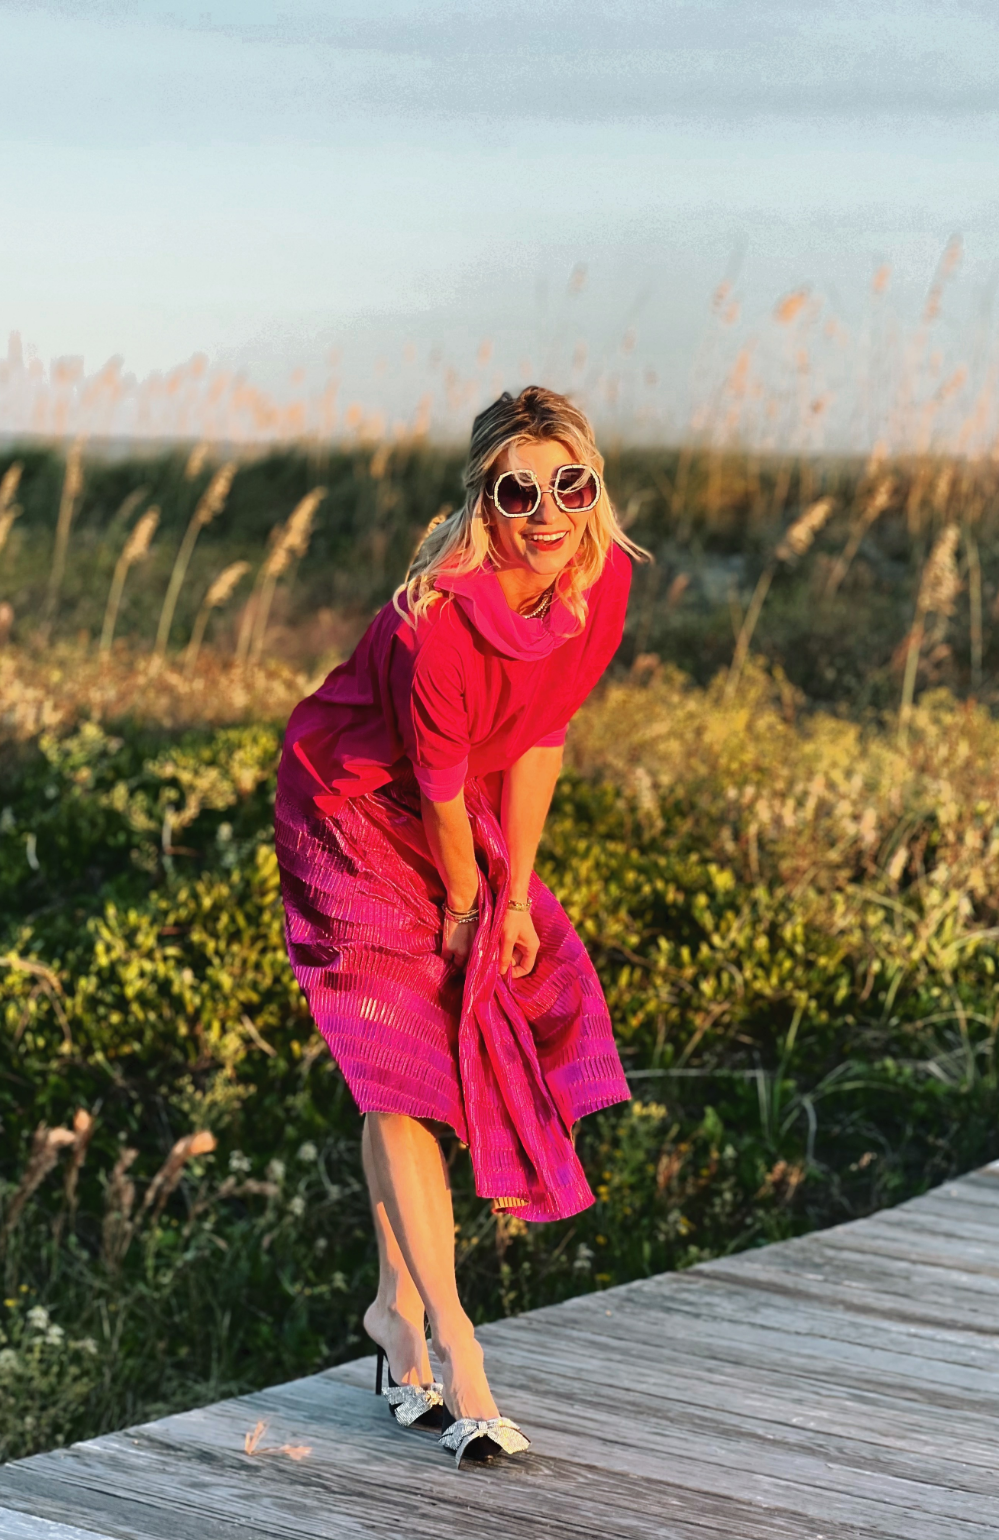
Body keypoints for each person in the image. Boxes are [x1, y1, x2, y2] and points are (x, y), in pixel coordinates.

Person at [274, 385, 647, 1466]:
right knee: (398, 1071)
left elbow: (539, 739)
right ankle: (454, 1342)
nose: (547, 509)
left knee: (427, 1059)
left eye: (568, 483)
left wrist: (518, 893)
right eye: (518, 487)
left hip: (456, 808)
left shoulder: (600, 580)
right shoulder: (437, 620)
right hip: (349, 809)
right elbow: (437, 797)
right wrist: (469, 906)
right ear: (484, 495)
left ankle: (391, 1319)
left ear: (592, 486)